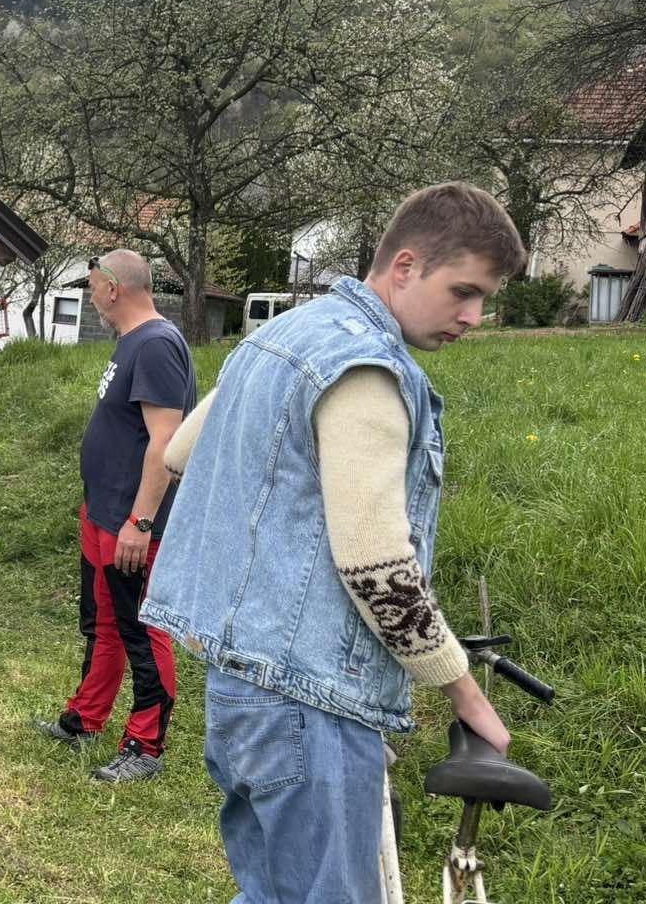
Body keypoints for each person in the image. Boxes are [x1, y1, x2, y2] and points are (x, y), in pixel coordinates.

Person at [142, 182, 527, 902]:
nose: (475, 316)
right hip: (307, 701)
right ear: (405, 266)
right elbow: (378, 568)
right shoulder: (366, 374)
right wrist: (466, 696)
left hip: (240, 688)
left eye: (486, 298)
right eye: (463, 291)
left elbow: (184, 451)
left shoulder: (284, 336)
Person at [33, 249, 195, 783]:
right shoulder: (130, 343)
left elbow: (166, 442)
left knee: (142, 630)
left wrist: (141, 521)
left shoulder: (156, 344)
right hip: (100, 513)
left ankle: (146, 747)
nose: (89, 294)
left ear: (113, 289)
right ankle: (86, 717)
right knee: (102, 623)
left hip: (133, 525)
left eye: (91, 285)